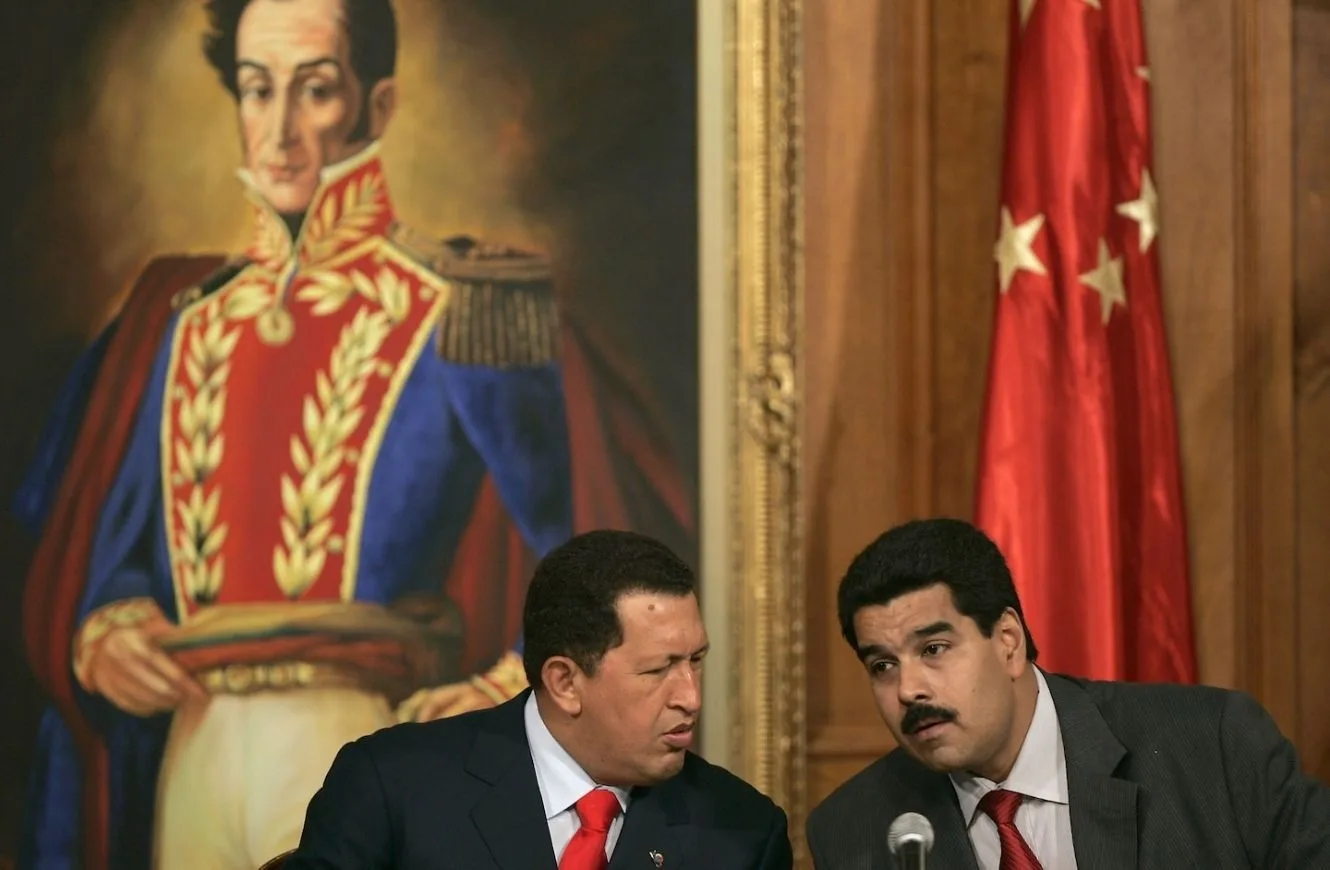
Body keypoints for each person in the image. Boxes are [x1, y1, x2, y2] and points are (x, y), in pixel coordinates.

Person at [12, 1, 689, 868]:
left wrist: (505, 691)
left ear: (376, 106)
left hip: (358, 742)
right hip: (195, 742)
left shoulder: (464, 310)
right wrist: (108, 631)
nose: (281, 129)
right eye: (258, 90)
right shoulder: (182, 324)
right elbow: (125, 554)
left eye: (315, 89)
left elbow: (587, 550)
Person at [806, 517, 1330, 870]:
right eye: (882, 665)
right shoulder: (856, 831)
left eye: (935, 648)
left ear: (1008, 643)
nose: (908, 689)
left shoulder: (1211, 747)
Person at [283, 529, 792, 869]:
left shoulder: (743, 833)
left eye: (695, 661)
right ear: (565, 682)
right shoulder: (392, 787)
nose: (690, 697)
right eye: (659, 670)